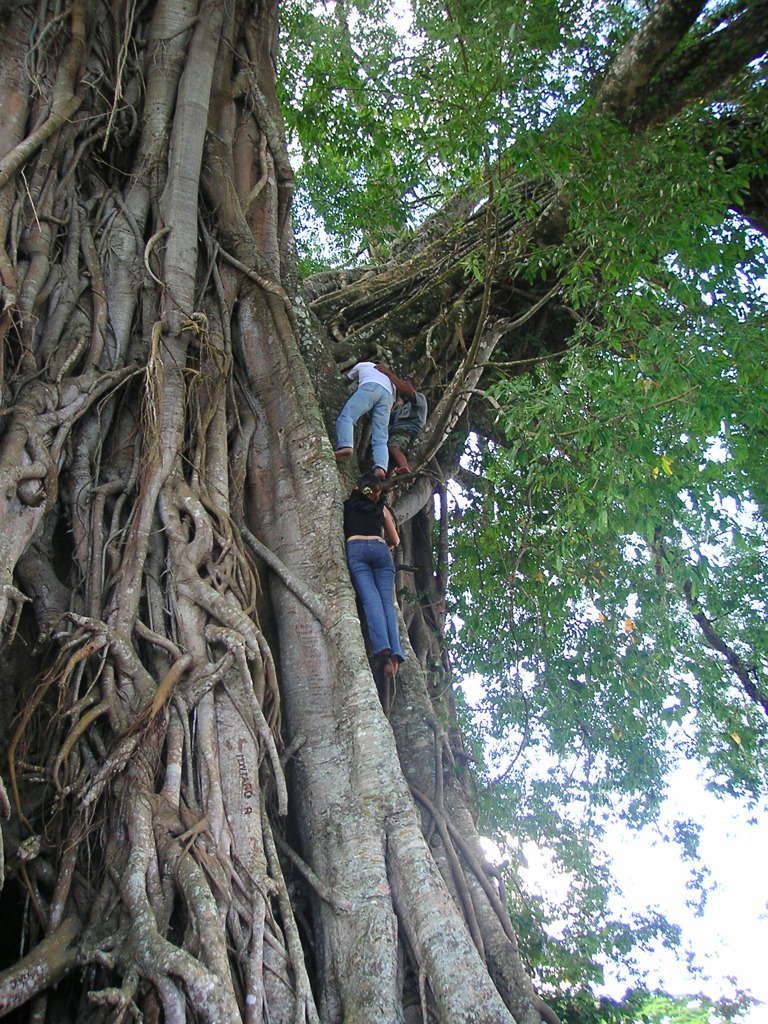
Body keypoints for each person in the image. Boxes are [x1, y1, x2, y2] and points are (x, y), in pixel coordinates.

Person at [343, 472, 405, 679]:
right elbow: (395, 540)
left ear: (357, 487)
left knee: (371, 600)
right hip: (380, 550)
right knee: (386, 602)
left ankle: (383, 650)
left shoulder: (346, 505)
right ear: (376, 493)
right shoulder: (382, 508)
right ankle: (396, 653)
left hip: (356, 548)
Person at [335, 361, 417, 479]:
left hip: (370, 387)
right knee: (381, 436)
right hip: (388, 397)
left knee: (347, 416)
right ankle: (380, 467)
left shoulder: (362, 365)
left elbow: (345, 382)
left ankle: (346, 445)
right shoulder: (389, 379)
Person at [387, 382, 428, 474]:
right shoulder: (400, 410)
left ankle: (405, 468)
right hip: (395, 433)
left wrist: (388, 374)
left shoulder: (420, 399)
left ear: (413, 388)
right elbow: (386, 416)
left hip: (406, 432)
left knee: (393, 447)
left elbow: (406, 390)